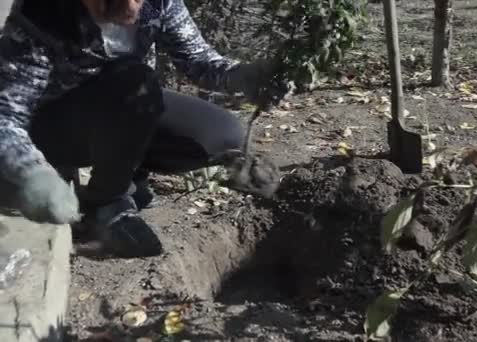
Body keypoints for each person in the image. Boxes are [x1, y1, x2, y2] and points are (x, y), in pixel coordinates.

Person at [0, 0, 287, 258]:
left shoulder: (159, 4)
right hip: (58, 126)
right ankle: (107, 204)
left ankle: (125, 174)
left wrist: (240, 76)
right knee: (135, 81)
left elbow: (197, 60)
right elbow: (7, 116)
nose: (130, 9)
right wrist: (32, 173)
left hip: (125, 108)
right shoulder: (40, 16)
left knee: (222, 134)